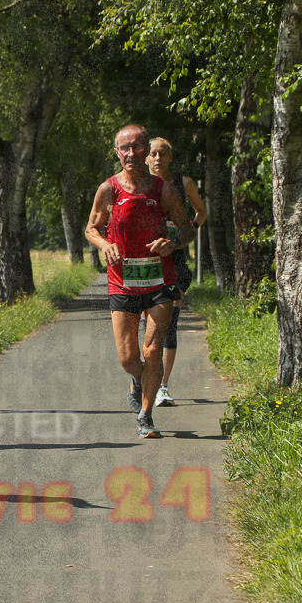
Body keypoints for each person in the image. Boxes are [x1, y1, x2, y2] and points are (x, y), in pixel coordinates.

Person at [83, 124, 195, 439]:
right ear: (118, 153)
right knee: (129, 358)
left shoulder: (164, 190)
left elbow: (187, 228)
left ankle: (145, 416)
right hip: (122, 281)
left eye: (136, 147)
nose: (131, 154)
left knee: (154, 348)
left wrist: (172, 243)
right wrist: (105, 245)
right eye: (124, 148)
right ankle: (137, 379)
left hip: (160, 279)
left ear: (145, 149)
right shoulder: (108, 190)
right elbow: (92, 228)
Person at [146, 137, 208, 406]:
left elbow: (201, 211)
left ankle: (162, 387)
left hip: (177, 263)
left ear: (170, 157)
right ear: (146, 159)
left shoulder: (184, 184)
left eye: (163, 154)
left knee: (168, 326)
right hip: (145, 265)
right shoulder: (135, 186)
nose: (158, 158)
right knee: (148, 328)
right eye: (153, 154)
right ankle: (141, 380)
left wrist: (187, 232)